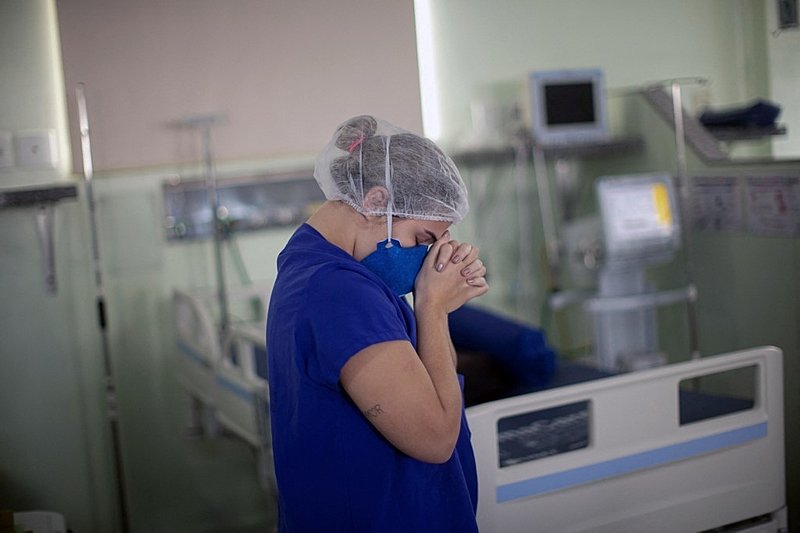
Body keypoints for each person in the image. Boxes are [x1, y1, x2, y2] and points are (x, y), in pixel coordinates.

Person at [266, 115, 488, 532]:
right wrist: (433, 309)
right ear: (374, 202)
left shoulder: (315, 263)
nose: (430, 256)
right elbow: (436, 438)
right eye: (424, 239)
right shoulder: (341, 293)